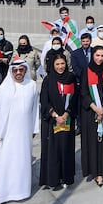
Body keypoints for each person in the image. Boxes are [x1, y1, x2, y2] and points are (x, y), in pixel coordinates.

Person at [0, 58, 39, 203]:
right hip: (6, 134)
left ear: (25, 70)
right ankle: (5, 193)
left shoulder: (31, 85)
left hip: (24, 133)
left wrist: (34, 128)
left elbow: (35, 109)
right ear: (11, 72)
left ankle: (22, 192)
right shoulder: (4, 89)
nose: (19, 73)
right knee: (7, 162)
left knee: (23, 161)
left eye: (21, 70)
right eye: (15, 70)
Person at [38, 53, 78, 190]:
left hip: (67, 120)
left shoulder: (71, 78)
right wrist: (55, 116)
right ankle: (53, 179)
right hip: (52, 122)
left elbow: (74, 98)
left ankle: (66, 177)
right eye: (57, 64)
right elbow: (44, 101)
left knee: (66, 149)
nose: (60, 67)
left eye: (62, 63)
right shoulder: (48, 80)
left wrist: (66, 114)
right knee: (53, 151)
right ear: (52, 65)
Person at [81, 46, 103, 186]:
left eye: (102, 55)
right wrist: (96, 109)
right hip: (91, 112)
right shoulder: (86, 71)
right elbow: (83, 93)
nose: (100, 58)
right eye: (97, 55)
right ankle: (96, 172)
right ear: (92, 55)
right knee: (93, 143)